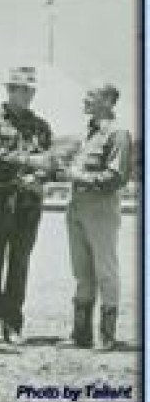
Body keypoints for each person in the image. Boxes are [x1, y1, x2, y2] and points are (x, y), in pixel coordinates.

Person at [0, 66, 54, 344]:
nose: (29, 94)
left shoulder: (41, 126)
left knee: (19, 263)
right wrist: (29, 161)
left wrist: (40, 174)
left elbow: (50, 163)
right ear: (11, 90)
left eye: (31, 89)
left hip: (28, 202)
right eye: (23, 89)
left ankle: (12, 324)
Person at [57, 84, 132, 350]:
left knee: (105, 271)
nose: (85, 97)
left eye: (91, 94)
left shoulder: (118, 134)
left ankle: (107, 336)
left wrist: (78, 176)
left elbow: (116, 177)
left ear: (109, 100)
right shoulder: (89, 134)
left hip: (101, 207)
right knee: (81, 271)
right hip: (77, 206)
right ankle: (81, 334)